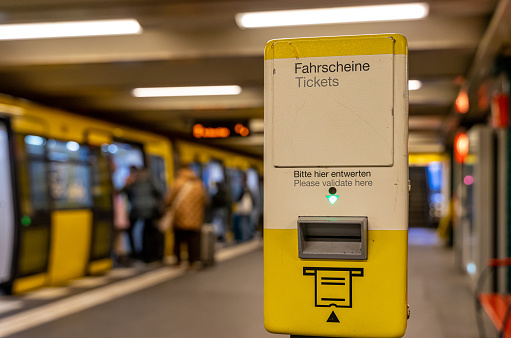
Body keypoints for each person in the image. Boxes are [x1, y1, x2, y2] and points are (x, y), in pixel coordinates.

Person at [165, 165, 206, 268]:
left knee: (178, 240)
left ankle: (178, 261)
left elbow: (169, 199)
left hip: (179, 218)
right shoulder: (198, 185)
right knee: (192, 241)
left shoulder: (177, 183)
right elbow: (205, 200)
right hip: (195, 219)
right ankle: (192, 262)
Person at [123, 167, 164, 263]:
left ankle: (135, 253)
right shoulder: (150, 181)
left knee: (131, 230)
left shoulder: (133, 182)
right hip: (150, 210)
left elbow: (125, 193)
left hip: (136, 209)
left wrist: (127, 184)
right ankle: (150, 255)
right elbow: (159, 193)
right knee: (148, 232)